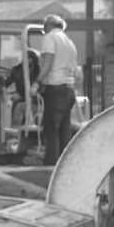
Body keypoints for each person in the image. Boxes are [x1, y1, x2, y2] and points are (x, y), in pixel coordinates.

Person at [33, 14, 78, 165]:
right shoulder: (70, 42)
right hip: (69, 89)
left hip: (55, 87)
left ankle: (50, 166)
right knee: (64, 130)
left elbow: (48, 62)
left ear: (47, 26)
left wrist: (37, 82)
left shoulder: (50, 38)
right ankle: (64, 165)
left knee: (51, 130)